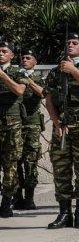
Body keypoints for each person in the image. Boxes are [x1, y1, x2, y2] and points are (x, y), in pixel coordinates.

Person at [43, 33, 79, 228]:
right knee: (61, 169)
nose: (70, 45)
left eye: (74, 43)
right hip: (63, 126)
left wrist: (74, 70)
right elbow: (49, 99)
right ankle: (64, 213)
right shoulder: (55, 71)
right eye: (67, 42)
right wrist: (56, 123)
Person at [0, 40, 28, 218]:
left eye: (4, 51)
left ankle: (6, 202)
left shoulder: (19, 72)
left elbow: (19, 90)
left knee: (10, 165)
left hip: (12, 125)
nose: (0, 54)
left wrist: (3, 76)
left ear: (11, 55)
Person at [17, 50, 45, 211]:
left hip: (32, 124)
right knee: (15, 161)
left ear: (35, 62)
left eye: (28, 58)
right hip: (15, 123)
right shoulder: (14, 75)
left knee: (30, 161)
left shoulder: (39, 78)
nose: (25, 60)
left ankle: (29, 197)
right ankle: (17, 196)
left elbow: (43, 93)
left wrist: (28, 81)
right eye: (23, 58)